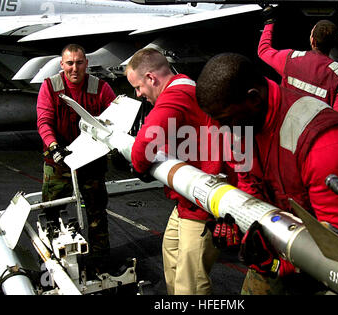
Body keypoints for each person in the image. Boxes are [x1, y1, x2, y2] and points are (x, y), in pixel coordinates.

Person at [196, 53, 338, 295]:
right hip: (283, 247)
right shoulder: (243, 122)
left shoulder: (322, 142)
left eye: (227, 120)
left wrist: (276, 265)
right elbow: (249, 186)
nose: (223, 129)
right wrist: (240, 224)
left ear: (253, 97)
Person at [125, 48, 223, 295]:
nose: (139, 95)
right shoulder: (186, 86)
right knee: (170, 252)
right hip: (186, 201)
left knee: (190, 284)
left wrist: (140, 168)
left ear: (151, 78)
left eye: (138, 87)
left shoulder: (176, 94)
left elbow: (143, 146)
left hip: (202, 204)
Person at [37, 43, 116, 274]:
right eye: (69, 63)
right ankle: (50, 262)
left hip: (91, 162)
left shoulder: (100, 88)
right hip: (58, 161)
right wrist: (54, 146)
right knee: (50, 213)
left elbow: (114, 118)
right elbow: (44, 120)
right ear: (62, 65)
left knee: (97, 214)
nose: (74, 68)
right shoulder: (50, 87)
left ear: (86, 64)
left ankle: (100, 264)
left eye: (79, 63)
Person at [258, 5, 338, 121]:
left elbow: (263, 50)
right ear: (335, 42)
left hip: (287, 127)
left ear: (312, 40)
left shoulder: (290, 59)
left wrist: (269, 23)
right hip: (316, 133)